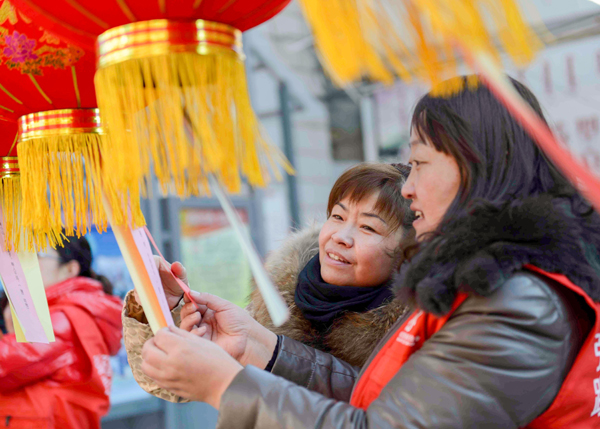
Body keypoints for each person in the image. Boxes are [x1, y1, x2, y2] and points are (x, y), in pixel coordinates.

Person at [141, 75, 600, 428]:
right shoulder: (482, 282)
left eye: (419, 163)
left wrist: (226, 385)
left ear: (473, 165)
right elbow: (381, 395)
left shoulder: (518, 301)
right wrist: (260, 347)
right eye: (338, 217)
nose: (412, 188)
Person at [121, 163, 416, 401]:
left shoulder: (416, 329)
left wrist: (263, 349)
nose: (341, 236)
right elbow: (169, 386)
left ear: (408, 251)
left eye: (367, 227)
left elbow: (379, 406)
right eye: (337, 216)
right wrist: (163, 307)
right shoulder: (279, 295)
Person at [0, 235, 123, 429]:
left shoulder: (64, 318)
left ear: (70, 269)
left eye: (36, 255)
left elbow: (5, 363)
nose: (24, 262)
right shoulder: (79, 310)